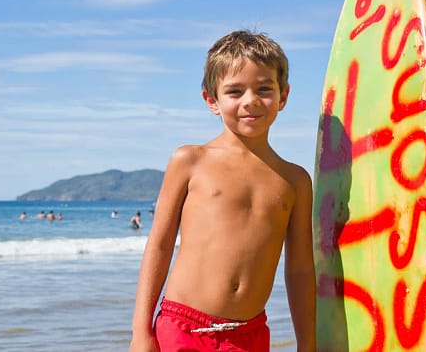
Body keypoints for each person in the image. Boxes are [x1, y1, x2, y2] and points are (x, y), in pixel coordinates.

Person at [130, 30, 315, 351]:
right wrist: (141, 332)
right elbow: (159, 246)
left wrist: (307, 343)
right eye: (234, 91)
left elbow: (299, 269)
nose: (251, 100)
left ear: (283, 97)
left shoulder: (295, 180)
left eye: (264, 89)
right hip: (182, 327)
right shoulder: (190, 161)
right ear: (212, 100)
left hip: (250, 335)